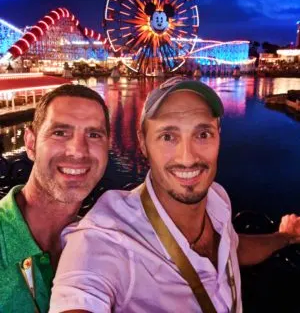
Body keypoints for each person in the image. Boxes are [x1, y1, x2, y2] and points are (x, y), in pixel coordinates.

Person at [49, 77, 300, 313]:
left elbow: (233, 247)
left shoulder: (217, 197)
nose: (188, 157)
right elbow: (80, 290)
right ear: (143, 143)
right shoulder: (107, 236)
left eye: (203, 134)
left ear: (219, 136)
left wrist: (285, 236)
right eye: (168, 137)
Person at [0, 84, 110, 313]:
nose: (78, 151)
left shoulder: (102, 244)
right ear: (30, 144)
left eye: (94, 134)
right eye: (60, 133)